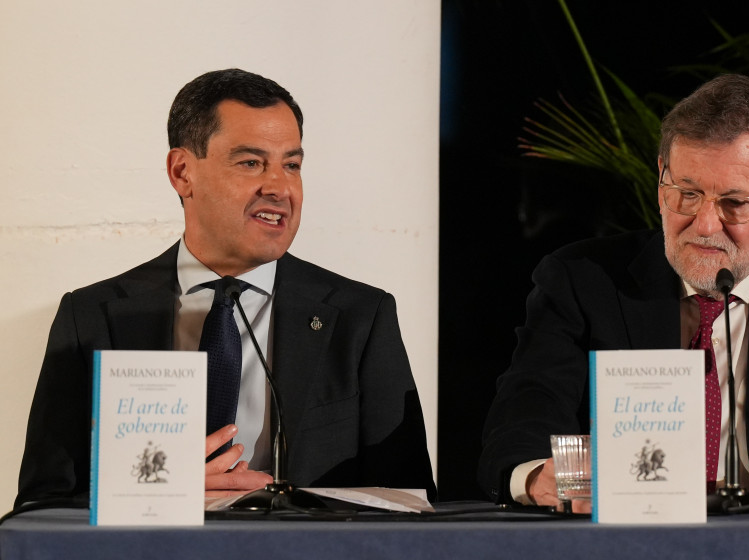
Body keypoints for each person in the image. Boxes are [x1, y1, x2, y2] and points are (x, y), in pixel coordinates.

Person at [478, 74, 749, 508]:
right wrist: (540, 477)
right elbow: (523, 418)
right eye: (687, 195)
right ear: (661, 180)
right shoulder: (581, 283)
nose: (705, 225)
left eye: (734, 203)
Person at [15, 69, 435, 507]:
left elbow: (409, 500)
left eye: (291, 165)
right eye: (251, 163)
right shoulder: (93, 318)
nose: (279, 187)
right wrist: (155, 497)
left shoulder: (360, 317)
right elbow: (39, 506)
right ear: (182, 173)